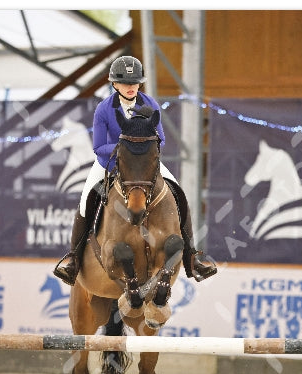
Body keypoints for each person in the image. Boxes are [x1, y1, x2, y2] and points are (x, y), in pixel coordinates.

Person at [53, 55, 217, 286]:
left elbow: (161, 138)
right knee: (85, 200)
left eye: (135, 82)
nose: (131, 87)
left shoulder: (149, 104)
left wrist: (139, 151)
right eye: (125, 83)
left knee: (179, 193)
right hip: (109, 165)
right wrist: (124, 152)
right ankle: (73, 258)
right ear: (114, 84)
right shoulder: (103, 109)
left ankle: (192, 256)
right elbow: (99, 147)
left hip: (145, 166)